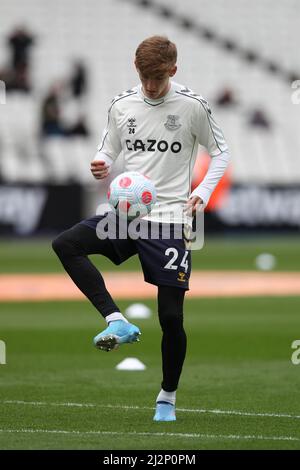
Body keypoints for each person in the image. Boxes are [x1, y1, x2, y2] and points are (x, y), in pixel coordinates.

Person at [52, 36, 230, 421]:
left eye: (158, 78)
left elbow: (221, 152)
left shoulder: (193, 106)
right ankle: (116, 320)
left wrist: (201, 190)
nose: (151, 85)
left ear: (173, 71)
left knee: (170, 317)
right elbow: (108, 147)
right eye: (145, 77)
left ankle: (167, 395)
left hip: (168, 219)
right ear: (136, 70)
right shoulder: (122, 103)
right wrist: (100, 162)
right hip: (127, 214)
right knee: (66, 244)